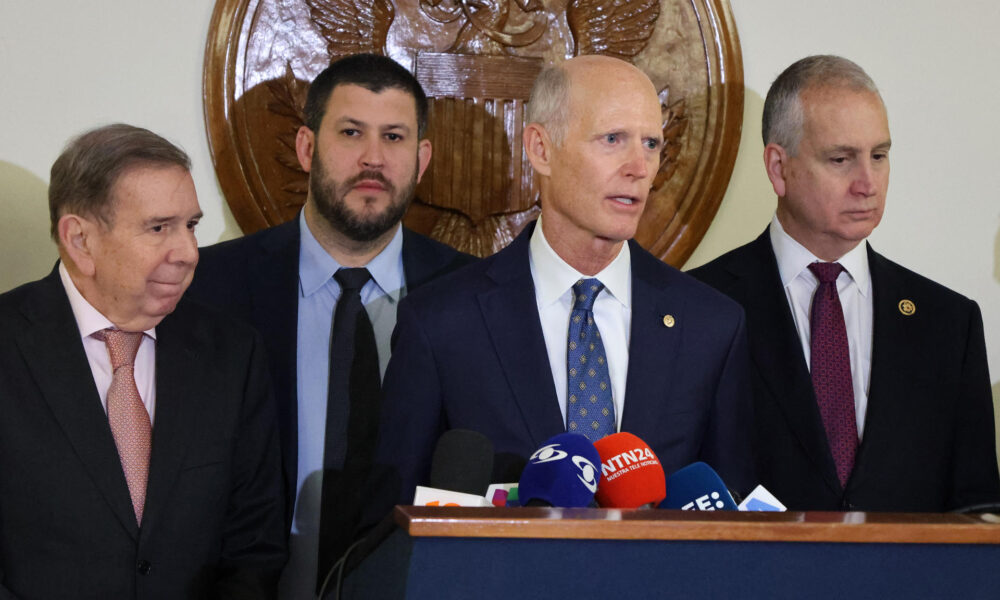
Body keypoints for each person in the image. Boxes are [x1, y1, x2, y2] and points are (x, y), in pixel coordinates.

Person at [368, 54, 755, 515]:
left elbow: (733, 529)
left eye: (651, 143)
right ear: (541, 149)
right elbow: (389, 525)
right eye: (613, 139)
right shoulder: (442, 323)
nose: (639, 166)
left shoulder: (712, 325)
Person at [187, 53, 474, 596]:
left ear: (422, 158)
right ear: (306, 147)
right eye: (350, 132)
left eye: (394, 137)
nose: (373, 159)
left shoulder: (471, 297)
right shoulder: (209, 289)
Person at [690, 55, 1000, 511]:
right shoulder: (702, 306)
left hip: (911, 582)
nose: (868, 183)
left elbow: (977, 510)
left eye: (879, 156)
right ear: (778, 168)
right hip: (755, 580)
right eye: (841, 159)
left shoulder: (949, 324)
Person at [0, 124, 285, 598]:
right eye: (159, 228)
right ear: (80, 241)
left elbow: (254, 542)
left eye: (190, 225)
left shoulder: (232, 352)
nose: (189, 253)